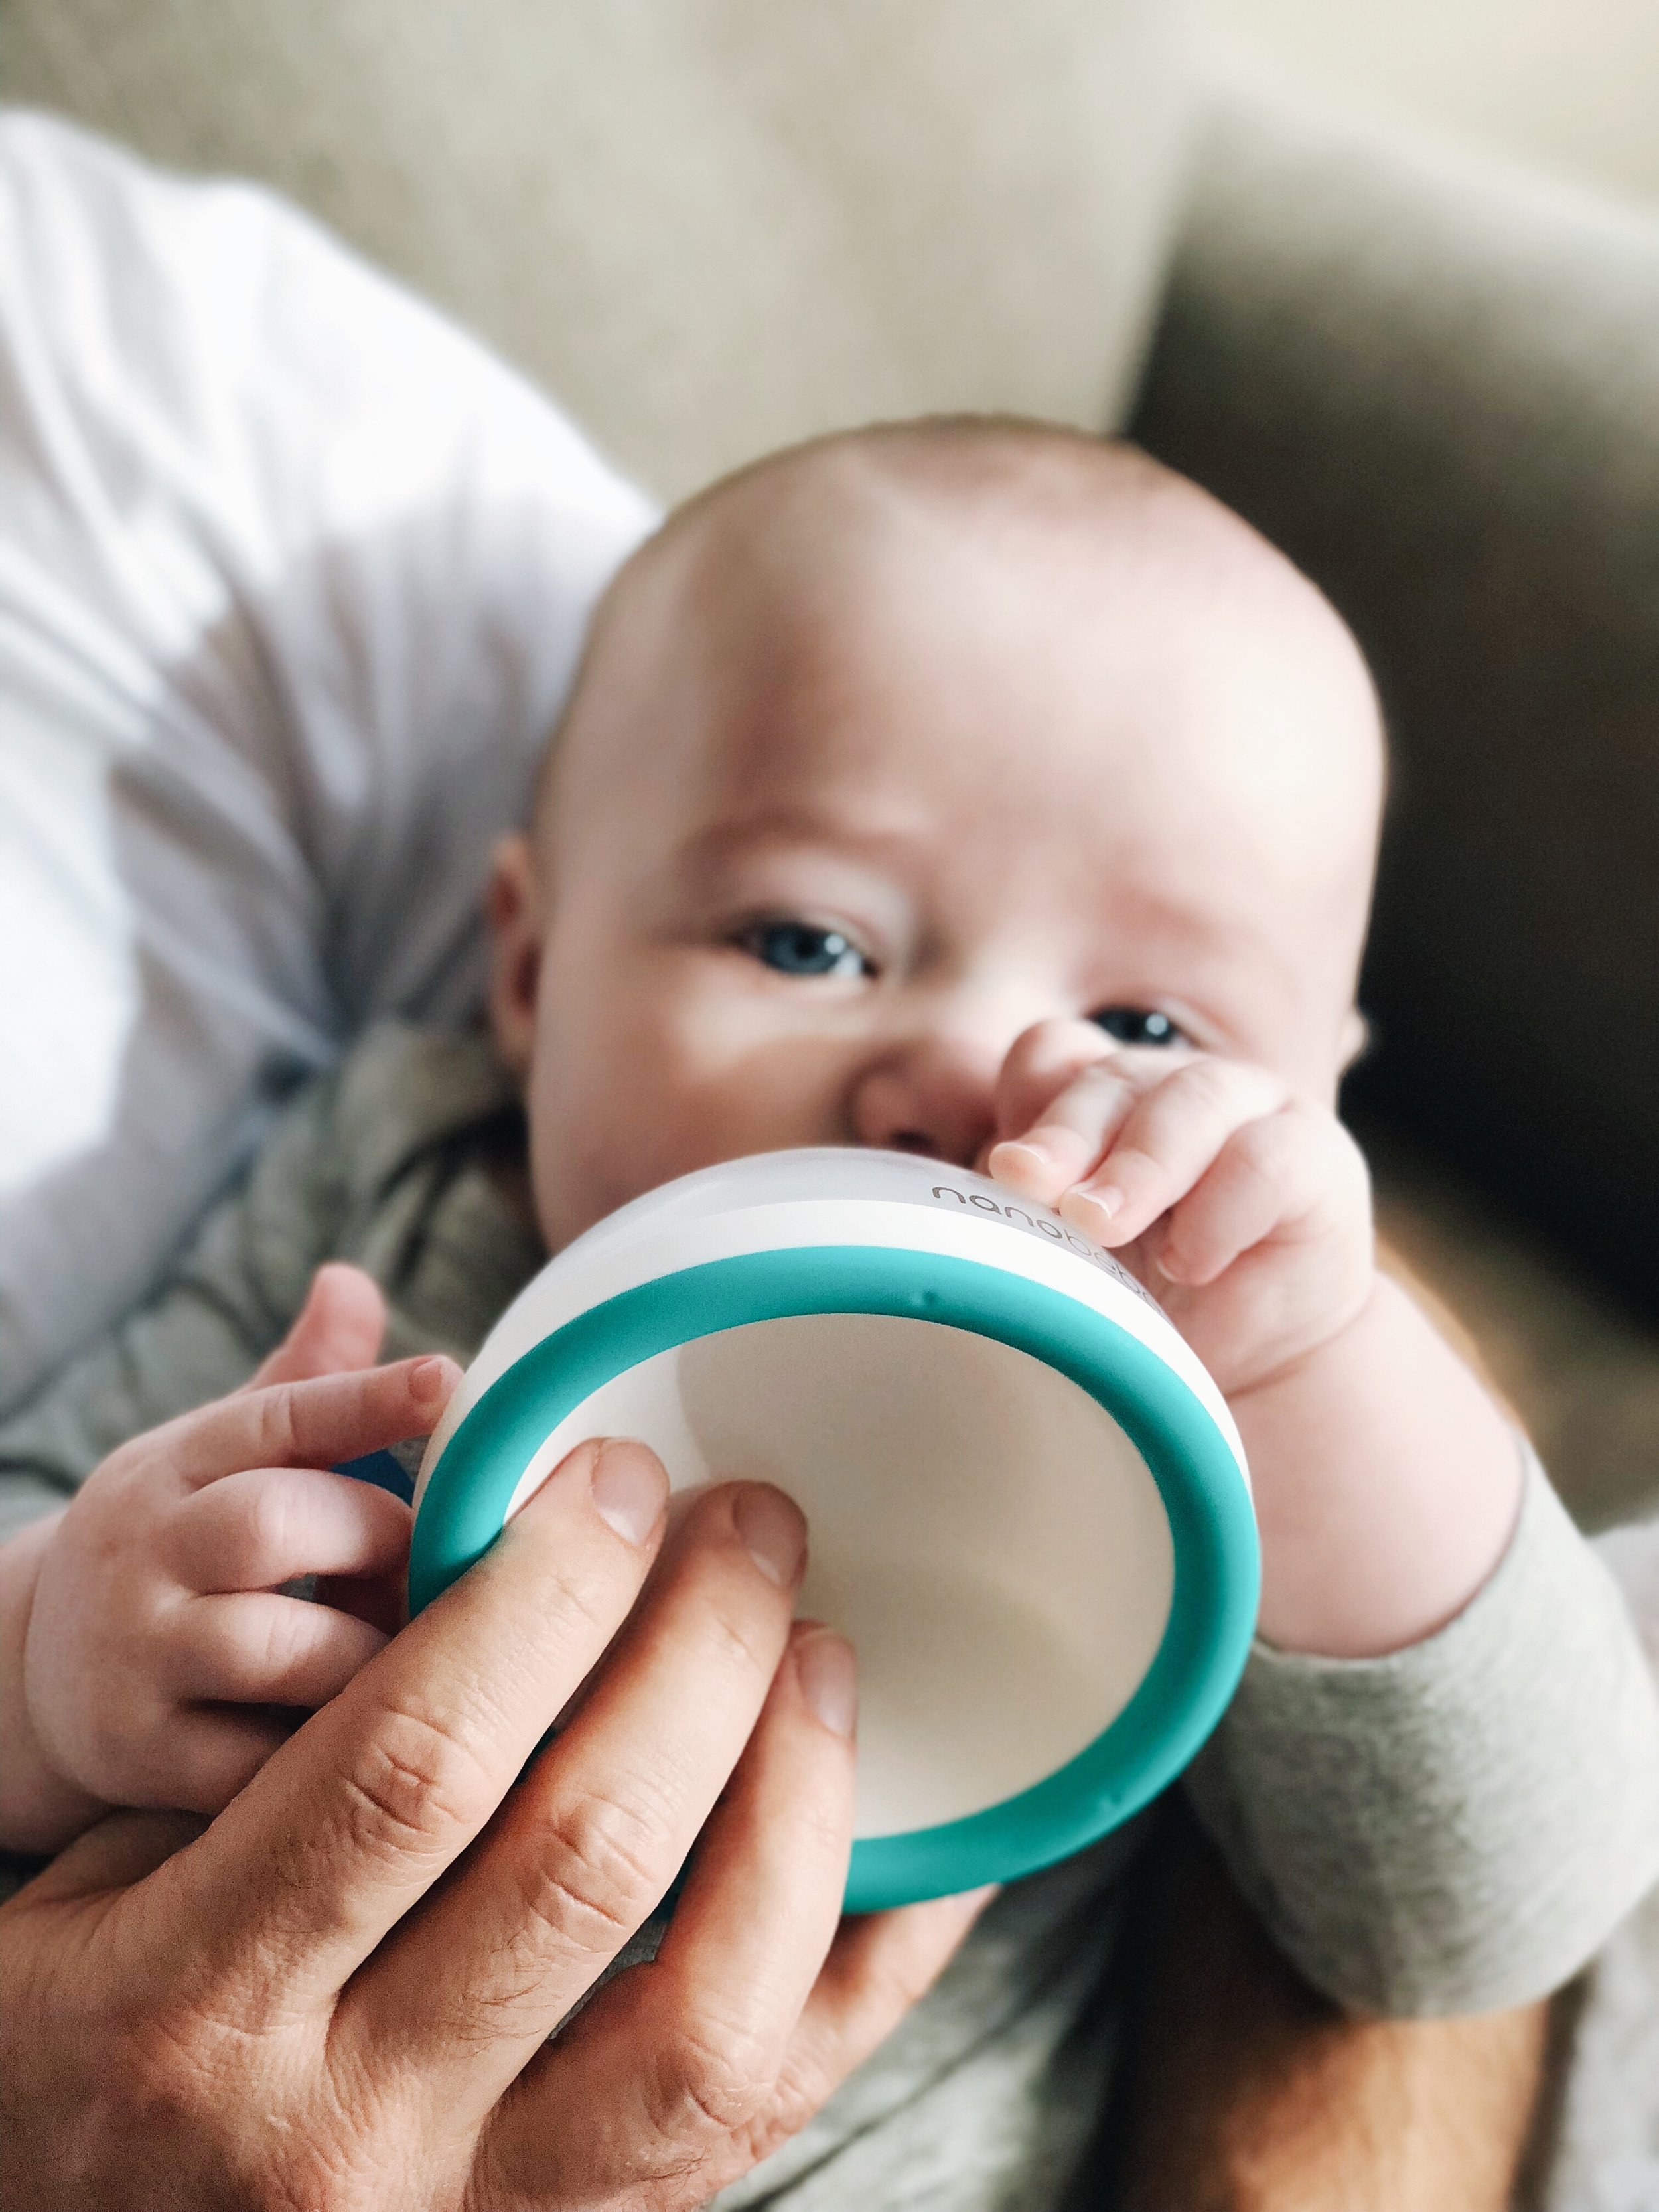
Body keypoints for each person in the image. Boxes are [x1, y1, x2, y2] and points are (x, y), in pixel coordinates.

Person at [3, 421, 1657, 2207]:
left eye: (1154, 1032)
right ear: (530, 974)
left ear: (1312, 1105)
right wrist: (50, 1652)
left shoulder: (1228, 1412)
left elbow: (1494, 1915)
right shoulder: (398, 1210)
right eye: (807, 942)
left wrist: (1317, 1362)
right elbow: (56, 1495)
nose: (970, 1071)